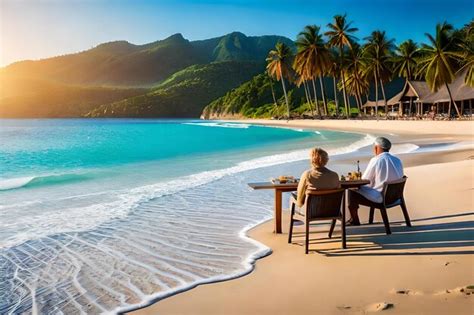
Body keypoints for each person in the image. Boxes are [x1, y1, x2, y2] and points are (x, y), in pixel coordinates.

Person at [348, 137, 404, 225]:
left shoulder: (376, 160)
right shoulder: (397, 160)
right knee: (365, 188)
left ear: (377, 148)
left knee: (352, 191)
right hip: (396, 197)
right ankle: (357, 219)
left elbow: (366, 180)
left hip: (381, 197)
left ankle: (354, 220)